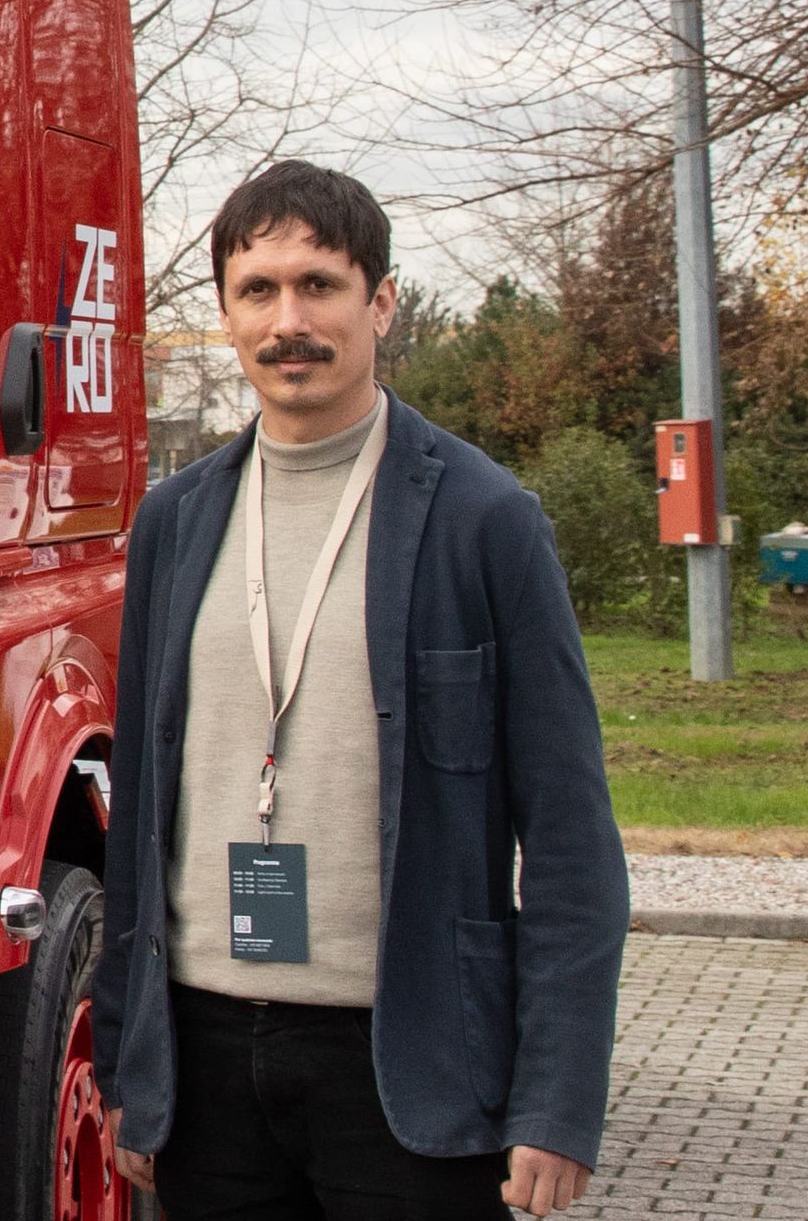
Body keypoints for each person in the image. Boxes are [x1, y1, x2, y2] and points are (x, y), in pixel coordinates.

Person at [92, 161, 626, 1218]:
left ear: (380, 303)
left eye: (320, 285)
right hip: (204, 1065)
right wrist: (127, 1072)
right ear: (228, 313)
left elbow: (569, 835)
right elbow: (138, 825)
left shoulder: (486, 522)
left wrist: (556, 1106)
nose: (289, 321)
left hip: (409, 1065)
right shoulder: (176, 522)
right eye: (259, 290)